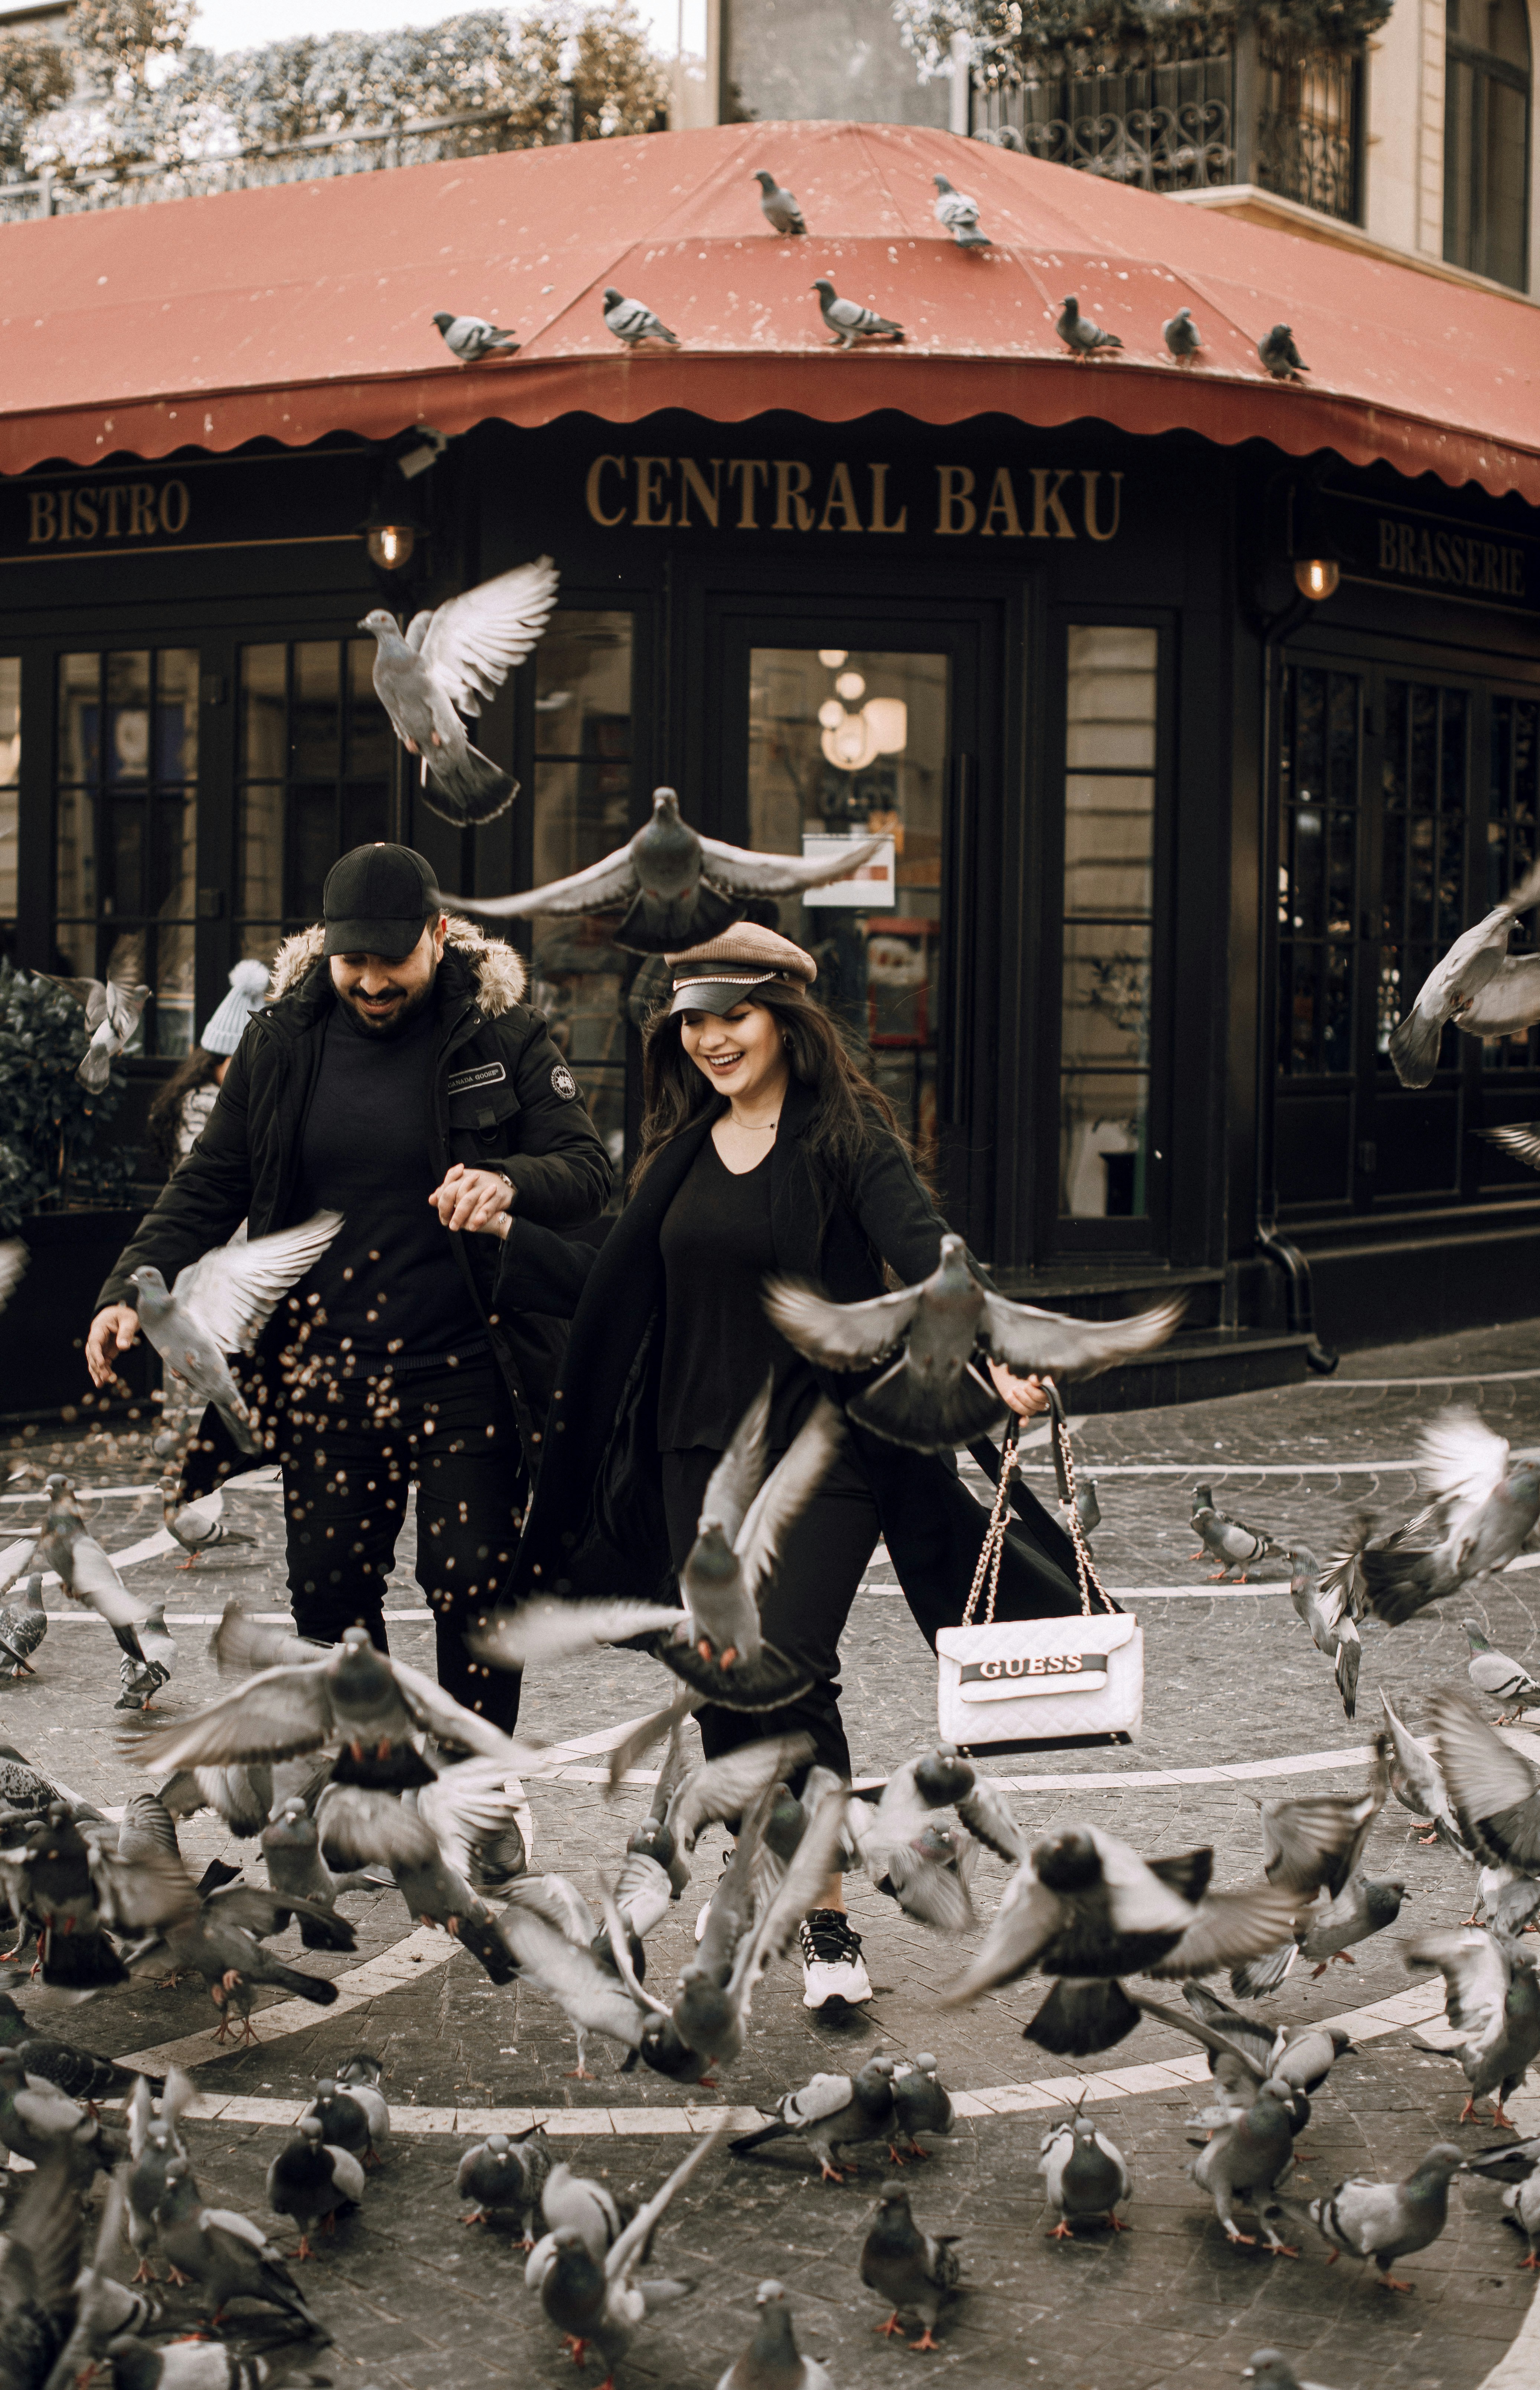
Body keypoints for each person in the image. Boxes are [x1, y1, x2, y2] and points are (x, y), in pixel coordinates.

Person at [479, 921, 1084, 2009]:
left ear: (784, 1020)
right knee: (726, 1690)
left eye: (734, 1016)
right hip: (685, 1457)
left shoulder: (843, 1138)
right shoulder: (676, 1153)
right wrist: (503, 1227)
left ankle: (818, 1915)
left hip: (828, 1449)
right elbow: (608, 1285)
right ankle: (816, 1907)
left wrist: (990, 1353)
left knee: (785, 1665)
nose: (711, 1039)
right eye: (694, 1021)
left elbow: (925, 1247)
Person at [83, 841, 611, 1730]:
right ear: (323, 944)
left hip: (467, 1366)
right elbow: (210, 1181)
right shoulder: (281, 1042)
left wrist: (509, 1181)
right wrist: (126, 1289)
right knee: (329, 1596)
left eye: (390, 959)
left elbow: (587, 1168)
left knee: (472, 1590)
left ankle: (474, 1790)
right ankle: (370, 1784)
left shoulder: (502, 1033)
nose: (369, 981)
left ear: (438, 937)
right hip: (328, 1375)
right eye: (351, 959)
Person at [144, 960, 274, 1179]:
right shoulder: (197, 1104)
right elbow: (197, 1175)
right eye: (241, 1063)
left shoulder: (247, 1098)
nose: (251, 1073)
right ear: (217, 1059)